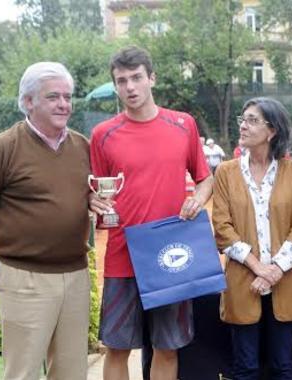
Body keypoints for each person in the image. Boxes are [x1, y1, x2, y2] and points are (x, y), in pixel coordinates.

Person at [0, 62, 91, 380]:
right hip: (24, 278)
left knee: (72, 372)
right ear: (29, 101)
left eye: (67, 96)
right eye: (53, 97)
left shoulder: (83, 147)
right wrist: (10, 245)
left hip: (75, 275)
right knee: (23, 372)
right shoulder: (2, 149)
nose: (63, 104)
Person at [88, 46, 213, 380]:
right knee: (116, 348)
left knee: (167, 347)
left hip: (171, 255)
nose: (130, 87)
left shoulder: (183, 124)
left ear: (151, 78)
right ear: (115, 85)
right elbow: (97, 192)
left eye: (136, 78)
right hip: (121, 254)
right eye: (121, 80)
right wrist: (94, 202)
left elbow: (205, 179)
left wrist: (198, 199)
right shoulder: (102, 135)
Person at [212, 97, 292, 379]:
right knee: (245, 368)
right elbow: (222, 227)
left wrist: (274, 272)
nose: (243, 126)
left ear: (272, 130)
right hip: (243, 282)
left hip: (285, 283)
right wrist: (259, 268)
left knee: (284, 366)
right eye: (242, 119)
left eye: (252, 120)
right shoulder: (225, 172)